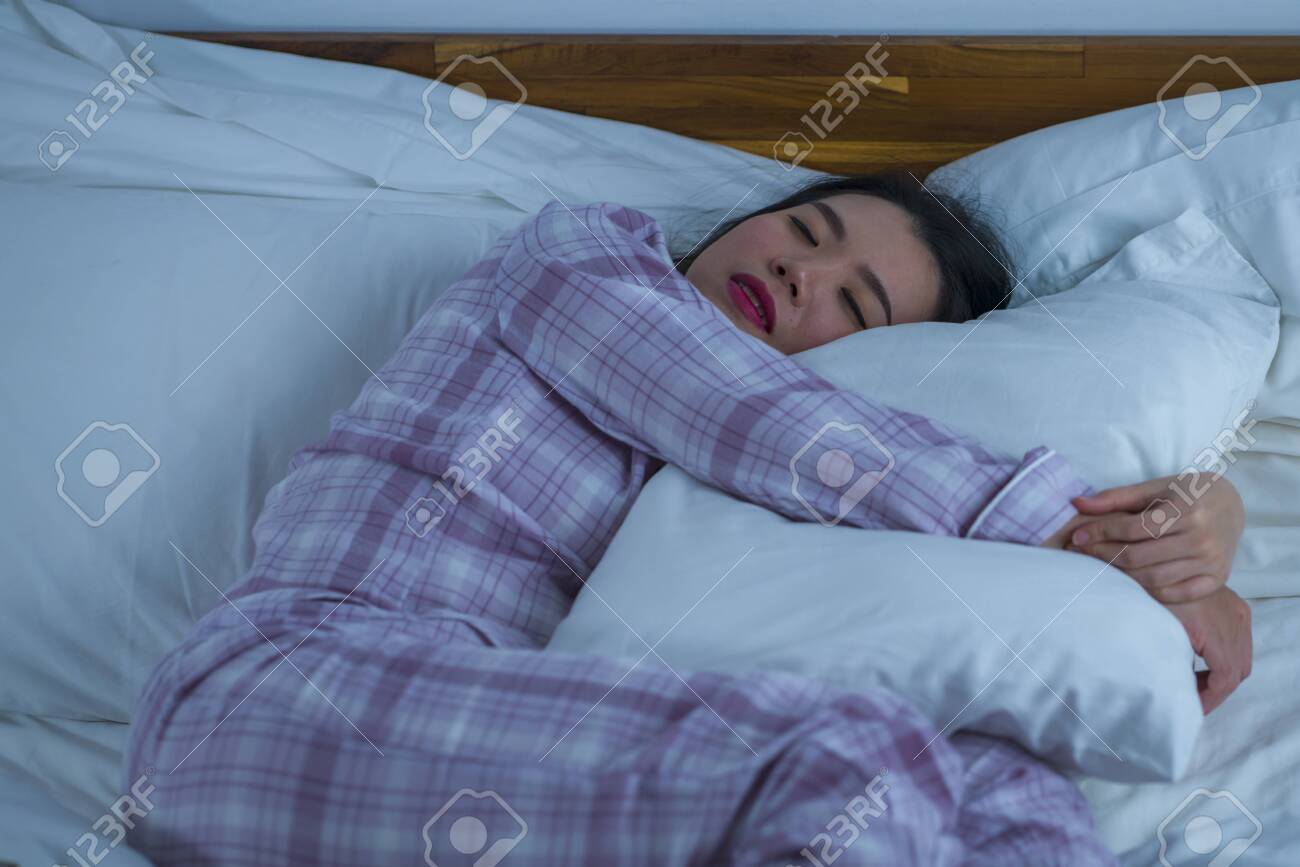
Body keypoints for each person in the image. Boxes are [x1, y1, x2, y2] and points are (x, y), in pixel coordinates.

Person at [122, 173, 1247, 866]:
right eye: (801, 232)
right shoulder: (578, 256)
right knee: (851, 772)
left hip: (493, 745)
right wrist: (1100, 540)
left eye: (854, 306)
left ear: (877, 359)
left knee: (1012, 807)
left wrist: (1203, 530)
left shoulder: (752, 502)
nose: (799, 275)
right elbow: (747, 411)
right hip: (285, 684)